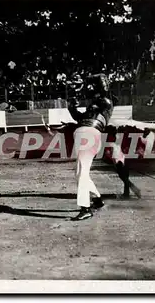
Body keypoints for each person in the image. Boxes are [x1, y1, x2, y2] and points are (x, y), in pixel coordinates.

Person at [67, 74, 114, 221]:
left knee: (81, 172)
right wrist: (72, 107)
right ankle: (97, 199)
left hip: (89, 135)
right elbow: (79, 118)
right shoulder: (95, 106)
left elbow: (102, 84)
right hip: (85, 135)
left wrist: (85, 84)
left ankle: (85, 208)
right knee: (80, 173)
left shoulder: (106, 102)